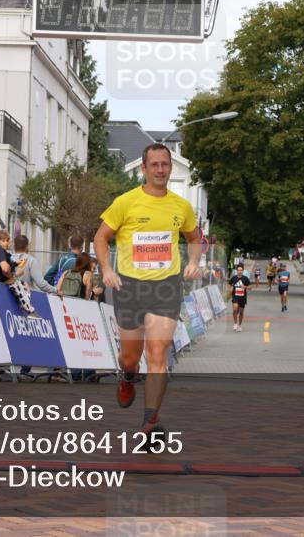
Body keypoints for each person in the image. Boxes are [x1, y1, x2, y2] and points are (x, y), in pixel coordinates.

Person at [94, 143, 201, 438]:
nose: (160, 170)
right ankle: (127, 376)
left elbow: (194, 238)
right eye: (154, 164)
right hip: (130, 287)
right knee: (130, 357)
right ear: (143, 168)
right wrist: (107, 269)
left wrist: (193, 261)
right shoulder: (125, 202)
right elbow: (101, 238)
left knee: (157, 354)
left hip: (166, 286)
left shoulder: (181, 206)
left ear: (171, 167)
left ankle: (149, 422)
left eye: (165, 164)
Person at [228, 263, 251, 332]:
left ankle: (240, 325)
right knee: (235, 309)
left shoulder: (245, 278)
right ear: (237, 271)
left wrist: (245, 287)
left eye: (241, 270)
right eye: (238, 270)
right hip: (235, 296)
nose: (239, 271)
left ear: (243, 271)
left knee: (241, 311)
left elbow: (250, 287)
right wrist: (230, 289)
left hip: (242, 297)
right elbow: (229, 284)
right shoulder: (234, 278)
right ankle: (235, 323)